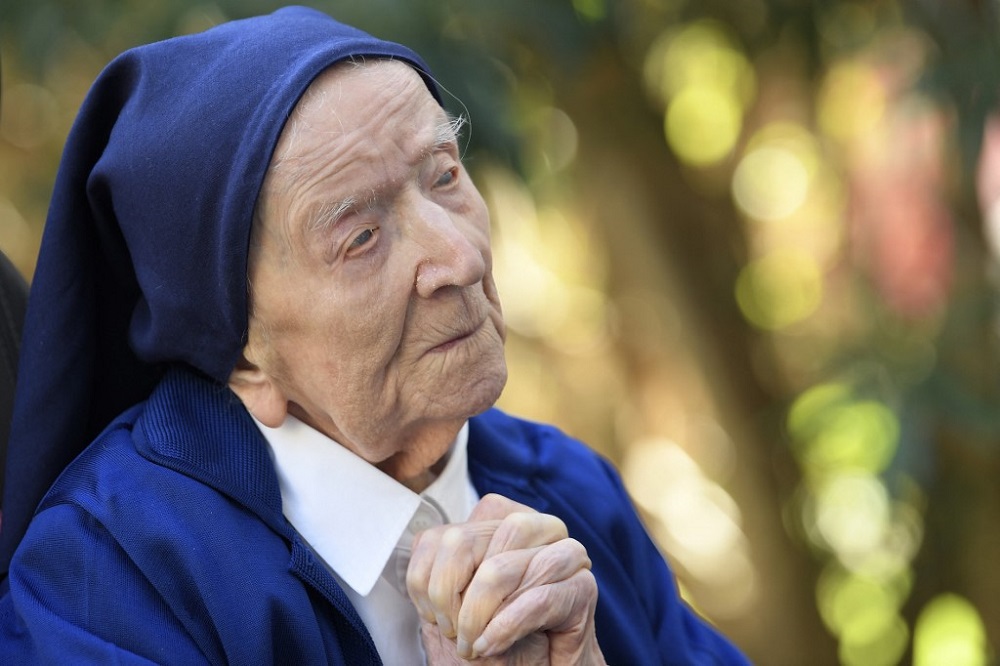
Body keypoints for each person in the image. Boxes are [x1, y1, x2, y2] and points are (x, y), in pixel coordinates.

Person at [0, 7, 750, 664]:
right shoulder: (113, 581)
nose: (458, 259)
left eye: (445, 177)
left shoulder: (565, 489)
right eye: (361, 237)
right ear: (241, 354)